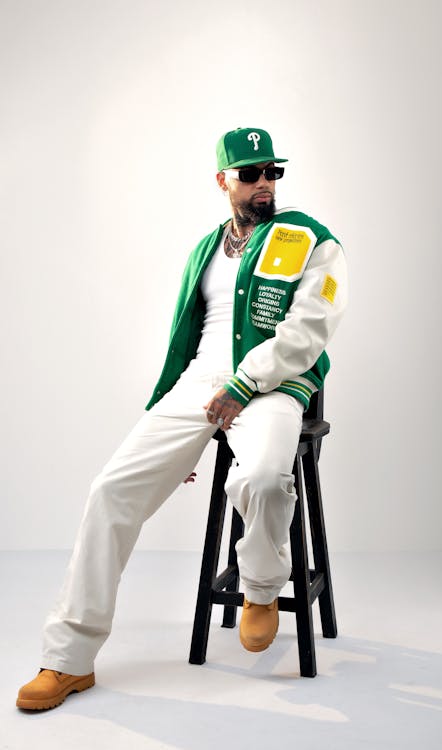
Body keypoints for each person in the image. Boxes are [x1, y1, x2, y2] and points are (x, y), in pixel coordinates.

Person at [16, 127, 348, 710]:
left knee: (263, 479)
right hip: (197, 385)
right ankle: (68, 660)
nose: (265, 183)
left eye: (273, 171)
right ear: (223, 180)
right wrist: (177, 435)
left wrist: (247, 382)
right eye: (251, 174)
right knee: (111, 490)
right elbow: (186, 338)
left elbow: (311, 329)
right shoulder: (204, 249)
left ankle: (262, 589)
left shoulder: (311, 239)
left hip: (272, 386)